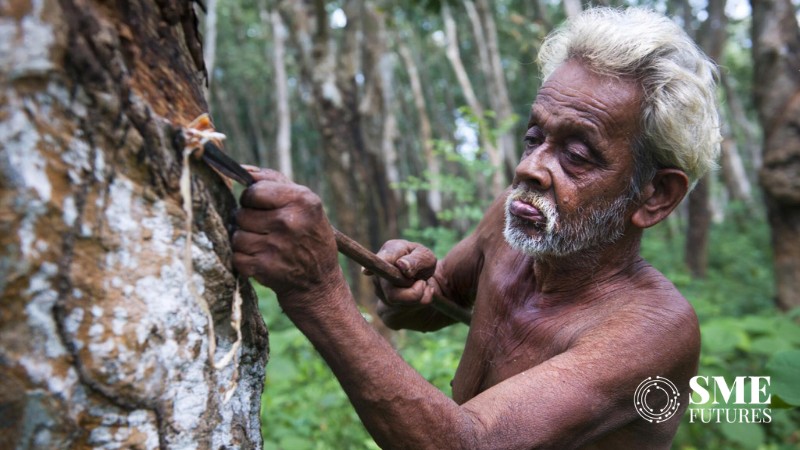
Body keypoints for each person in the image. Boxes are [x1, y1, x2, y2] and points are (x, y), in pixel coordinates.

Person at [232, 7, 720, 449]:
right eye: (534, 138)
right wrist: (402, 286)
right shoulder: (511, 222)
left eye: (576, 155)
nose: (531, 168)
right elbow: (432, 299)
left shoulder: (652, 332)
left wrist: (316, 291)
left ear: (655, 196)